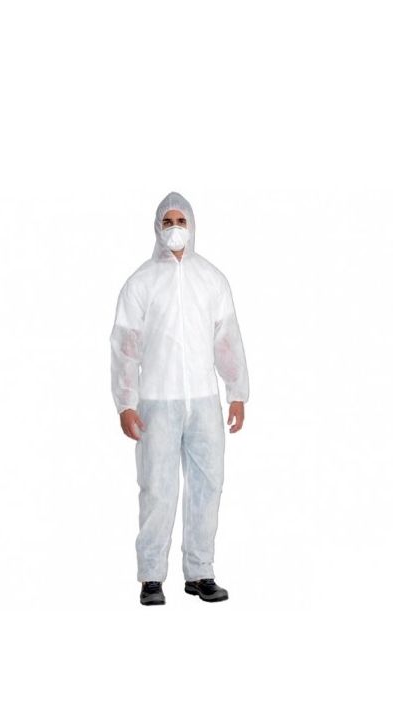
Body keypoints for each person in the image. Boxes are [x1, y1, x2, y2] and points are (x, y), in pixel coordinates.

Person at [109, 191, 250, 606]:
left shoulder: (212, 280)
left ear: (192, 225)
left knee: (209, 485)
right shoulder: (140, 283)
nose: (174, 228)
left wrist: (237, 393)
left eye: (181, 221)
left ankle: (200, 572)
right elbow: (125, 347)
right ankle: (152, 576)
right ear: (157, 227)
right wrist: (126, 403)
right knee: (157, 488)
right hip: (157, 401)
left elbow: (227, 340)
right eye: (167, 221)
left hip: (204, 401)